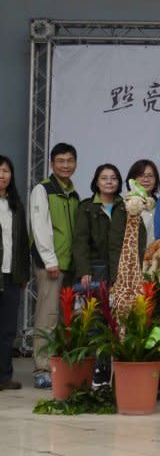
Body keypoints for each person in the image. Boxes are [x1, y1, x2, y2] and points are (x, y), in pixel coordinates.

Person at [29, 142, 80, 389]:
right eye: (60, 161)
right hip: (51, 265)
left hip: (69, 265)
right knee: (47, 318)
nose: (65, 165)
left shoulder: (73, 194)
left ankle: (58, 366)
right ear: (51, 164)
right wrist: (50, 260)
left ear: (75, 164)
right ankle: (42, 368)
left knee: (64, 318)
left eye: (70, 161)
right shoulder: (43, 190)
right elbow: (40, 227)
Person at [0, 155, 29, 390]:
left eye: (6, 171)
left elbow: (22, 243)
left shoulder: (16, 205)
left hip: (11, 274)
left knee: (8, 329)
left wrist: (23, 275)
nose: (2, 175)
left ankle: (4, 376)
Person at [72, 164, 123, 291]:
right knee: (95, 309)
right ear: (96, 182)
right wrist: (84, 270)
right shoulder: (87, 207)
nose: (109, 182)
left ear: (119, 182)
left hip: (122, 269)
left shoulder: (126, 207)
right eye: (104, 178)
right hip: (95, 269)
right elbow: (81, 241)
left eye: (113, 178)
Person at [108, 160, 160, 281]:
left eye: (150, 176)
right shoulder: (124, 207)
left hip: (156, 268)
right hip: (132, 270)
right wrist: (118, 275)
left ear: (156, 180)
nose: (146, 179)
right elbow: (115, 245)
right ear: (132, 180)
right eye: (141, 175)